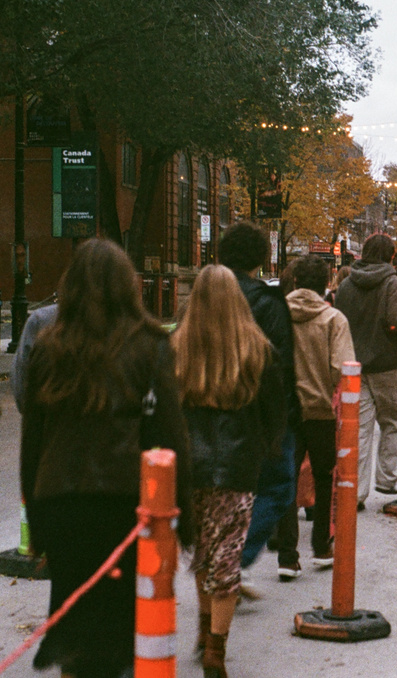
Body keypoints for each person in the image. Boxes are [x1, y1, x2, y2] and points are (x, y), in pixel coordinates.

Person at [20, 238, 190, 678]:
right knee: (120, 626)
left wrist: (37, 524)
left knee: (75, 620)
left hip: (62, 504)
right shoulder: (150, 347)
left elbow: (32, 445)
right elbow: (170, 438)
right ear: (127, 287)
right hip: (124, 506)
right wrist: (181, 517)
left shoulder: (48, 349)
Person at [172, 265, 286, 677]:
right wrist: (268, 450)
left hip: (189, 467)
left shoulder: (176, 348)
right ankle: (216, 649)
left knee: (202, 553)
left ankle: (203, 630)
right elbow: (275, 412)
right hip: (238, 467)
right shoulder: (257, 349)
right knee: (227, 557)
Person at [218, 221, 299, 596]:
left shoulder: (203, 298)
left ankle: (218, 568)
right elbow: (280, 368)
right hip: (256, 412)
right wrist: (283, 420)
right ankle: (236, 559)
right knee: (278, 485)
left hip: (209, 409)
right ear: (261, 258)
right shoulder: (266, 303)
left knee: (220, 491)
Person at [276, 255, 356, 580]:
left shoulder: (276, 315)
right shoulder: (334, 319)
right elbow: (342, 367)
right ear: (326, 284)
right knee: (325, 479)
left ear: (294, 282)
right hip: (320, 411)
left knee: (286, 480)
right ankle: (321, 545)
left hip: (283, 412)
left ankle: (286, 556)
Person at [334, 234, 397, 507]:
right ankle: (387, 478)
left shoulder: (346, 285)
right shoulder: (394, 284)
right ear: (391, 256)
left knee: (360, 428)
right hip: (386, 364)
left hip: (353, 366)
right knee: (394, 420)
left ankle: (355, 492)